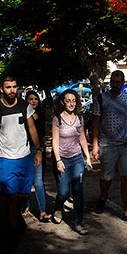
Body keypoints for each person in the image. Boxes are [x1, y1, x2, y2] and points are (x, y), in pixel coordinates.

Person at [0, 76, 44, 233]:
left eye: (14, 87)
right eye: (8, 87)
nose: (12, 90)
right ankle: (12, 227)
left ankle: (16, 215)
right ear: (1, 89)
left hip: (24, 157)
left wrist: (38, 150)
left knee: (23, 194)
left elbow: (32, 129)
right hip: (5, 158)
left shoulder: (25, 105)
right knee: (10, 195)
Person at [91, 70, 127, 224]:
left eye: (118, 82)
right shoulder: (101, 98)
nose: (115, 84)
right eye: (112, 81)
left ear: (123, 83)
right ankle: (103, 197)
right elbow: (96, 122)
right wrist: (95, 144)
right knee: (106, 177)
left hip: (125, 144)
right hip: (107, 144)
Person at [51, 89, 92, 235]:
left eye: (73, 101)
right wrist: (58, 160)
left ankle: (78, 222)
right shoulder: (57, 119)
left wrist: (87, 157)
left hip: (76, 159)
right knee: (63, 192)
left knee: (78, 191)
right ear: (63, 102)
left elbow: (82, 139)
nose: (71, 104)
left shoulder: (79, 118)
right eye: (68, 101)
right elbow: (55, 142)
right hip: (62, 159)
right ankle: (58, 207)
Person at [24, 90, 51, 222]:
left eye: (35, 99)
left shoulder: (40, 115)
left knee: (38, 181)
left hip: (37, 149)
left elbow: (40, 133)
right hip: (23, 150)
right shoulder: (22, 115)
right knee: (26, 181)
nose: (33, 101)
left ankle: (43, 211)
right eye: (30, 99)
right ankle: (26, 206)